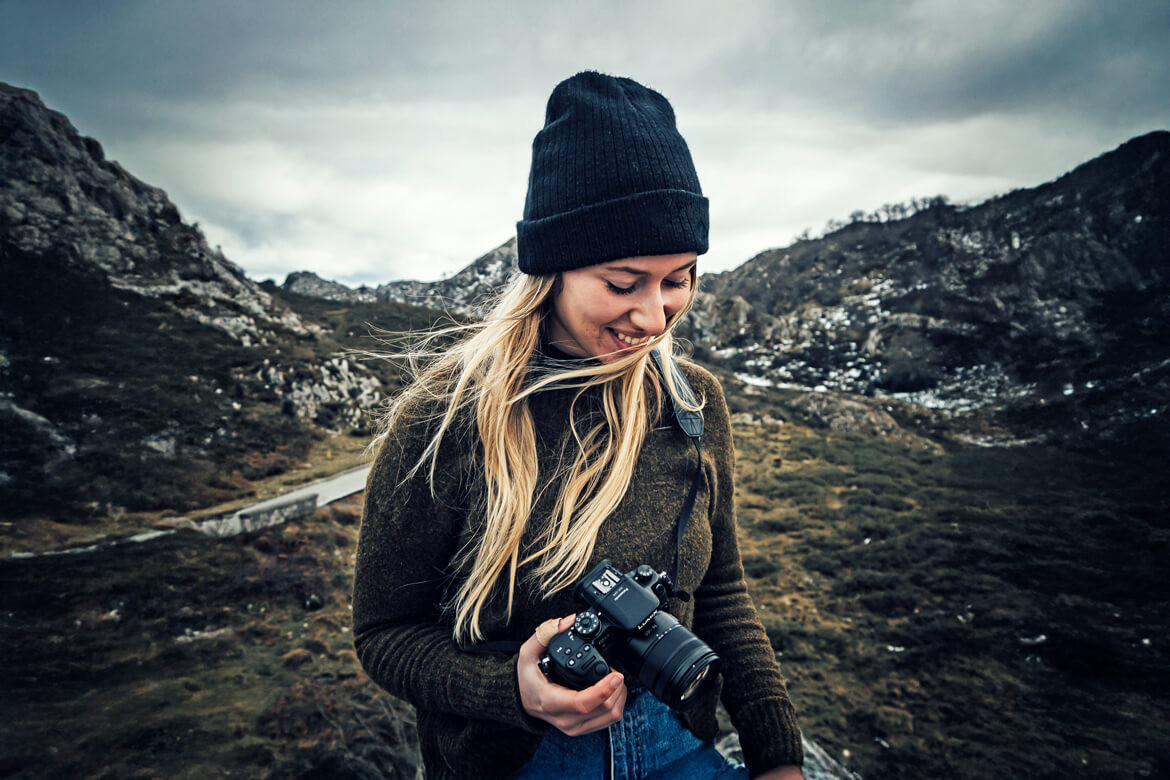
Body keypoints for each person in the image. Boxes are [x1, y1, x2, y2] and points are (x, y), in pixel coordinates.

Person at [353, 71, 804, 780]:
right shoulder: (444, 422)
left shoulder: (693, 406)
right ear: (551, 270)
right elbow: (384, 635)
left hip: (680, 749)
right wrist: (512, 691)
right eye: (624, 283)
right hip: (515, 763)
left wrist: (779, 758)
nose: (655, 318)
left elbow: (721, 592)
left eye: (679, 278)